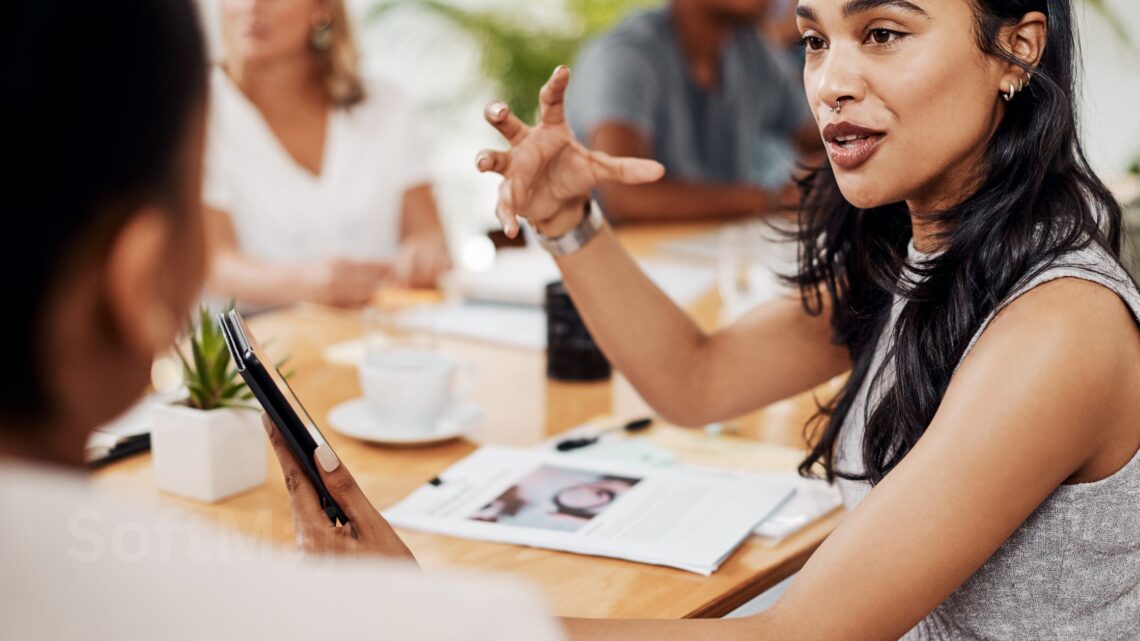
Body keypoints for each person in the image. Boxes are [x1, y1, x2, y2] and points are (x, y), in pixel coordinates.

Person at [289, 0, 1140, 638]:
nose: (830, 84)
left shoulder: (1059, 328)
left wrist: (439, 615)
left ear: (1016, 50)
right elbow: (695, 377)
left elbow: (798, 635)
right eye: (815, 40)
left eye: (882, 32)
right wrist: (568, 221)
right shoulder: (911, 254)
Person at [0, 2, 560, 639]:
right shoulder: (451, 623)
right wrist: (411, 609)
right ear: (141, 282)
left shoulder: (381, 104)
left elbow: (426, 230)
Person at [203, 0, 452, 309]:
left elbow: (428, 233)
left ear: (322, 6)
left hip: (376, 329)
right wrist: (308, 284)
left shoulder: (387, 107)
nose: (252, 6)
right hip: (255, 334)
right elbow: (212, 264)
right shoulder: (198, 111)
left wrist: (425, 255)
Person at [565, 0, 819, 223]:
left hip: (713, 250)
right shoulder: (626, 56)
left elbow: (816, 134)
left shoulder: (750, 48)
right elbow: (624, 196)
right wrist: (771, 199)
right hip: (622, 255)